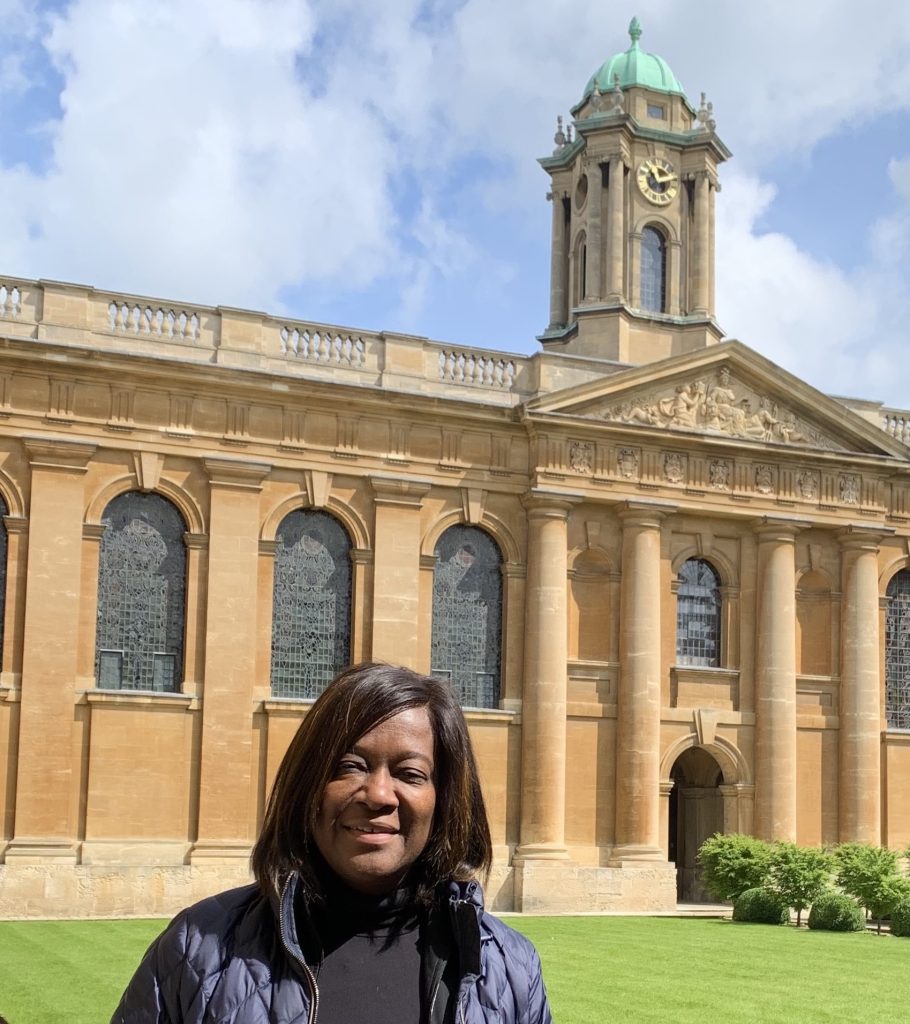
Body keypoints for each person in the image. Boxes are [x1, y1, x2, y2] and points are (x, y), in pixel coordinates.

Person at [111, 662, 553, 1024]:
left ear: (446, 802)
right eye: (349, 765)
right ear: (309, 785)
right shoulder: (197, 948)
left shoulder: (511, 968)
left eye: (410, 774)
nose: (378, 794)